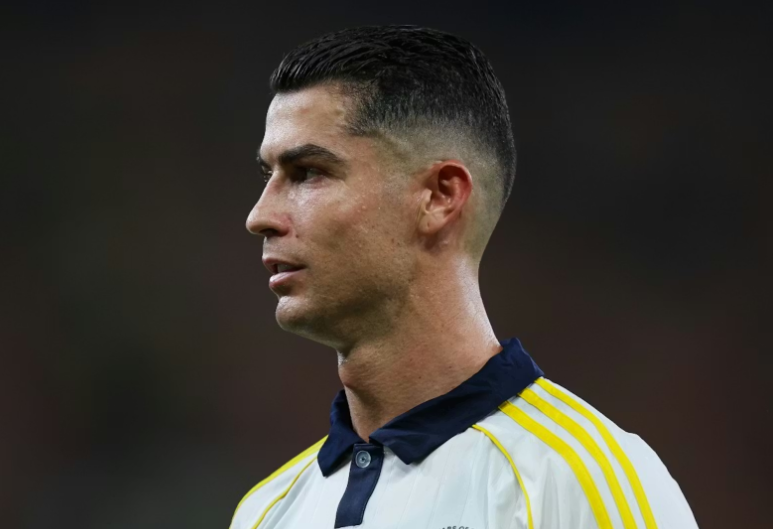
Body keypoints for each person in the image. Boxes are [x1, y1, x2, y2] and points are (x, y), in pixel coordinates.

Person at [236, 25, 698, 529]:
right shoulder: (265, 512)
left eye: (307, 172)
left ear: (440, 197)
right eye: (268, 175)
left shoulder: (578, 481)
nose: (259, 216)